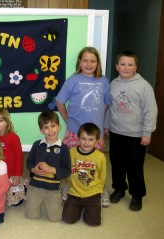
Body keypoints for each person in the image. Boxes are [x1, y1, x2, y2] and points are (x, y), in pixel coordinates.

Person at [55, 46, 111, 207]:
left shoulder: (103, 81)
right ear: (79, 62)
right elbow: (60, 101)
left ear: (97, 63)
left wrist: (98, 119)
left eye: (93, 61)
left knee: (94, 162)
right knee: (73, 162)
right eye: (85, 60)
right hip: (74, 130)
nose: (89, 64)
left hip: (95, 132)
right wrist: (67, 120)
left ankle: (99, 188)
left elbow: (106, 103)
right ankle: (68, 185)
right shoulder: (73, 80)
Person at [105, 51, 157, 211]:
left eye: (130, 64)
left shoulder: (144, 86)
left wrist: (147, 132)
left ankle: (137, 194)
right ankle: (119, 188)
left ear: (136, 67)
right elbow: (109, 107)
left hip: (136, 135)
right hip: (117, 132)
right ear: (116, 66)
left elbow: (151, 110)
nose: (126, 67)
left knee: (135, 165)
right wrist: (106, 125)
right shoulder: (113, 84)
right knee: (117, 162)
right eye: (122, 64)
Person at [24, 110, 71, 222]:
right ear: (41, 130)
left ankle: (61, 201)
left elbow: (67, 170)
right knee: (31, 215)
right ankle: (31, 194)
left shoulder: (64, 149)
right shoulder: (37, 145)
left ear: (59, 127)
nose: (50, 130)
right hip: (35, 187)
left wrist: (51, 169)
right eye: (46, 127)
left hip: (53, 189)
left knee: (56, 219)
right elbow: (29, 162)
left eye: (53, 126)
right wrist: (33, 170)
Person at [62, 123, 106, 226]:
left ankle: (92, 208)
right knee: (67, 219)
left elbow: (102, 175)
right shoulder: (71, 152)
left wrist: (100, 189)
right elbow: (66, 169)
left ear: (97, 140)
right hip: (74, 193)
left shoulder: (100, 157)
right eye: (83, 139)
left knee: (93, 222)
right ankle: (77, 207)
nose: (87, 143)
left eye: (91, 139)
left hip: (93, 194)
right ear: (78, 138)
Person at [0, 108, 25, 206]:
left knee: (16, 202)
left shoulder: (13, 137)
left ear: (7, 122)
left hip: (12, 174)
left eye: (1, 120)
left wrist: (17, 176)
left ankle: (23, 184)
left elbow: (19, 158)